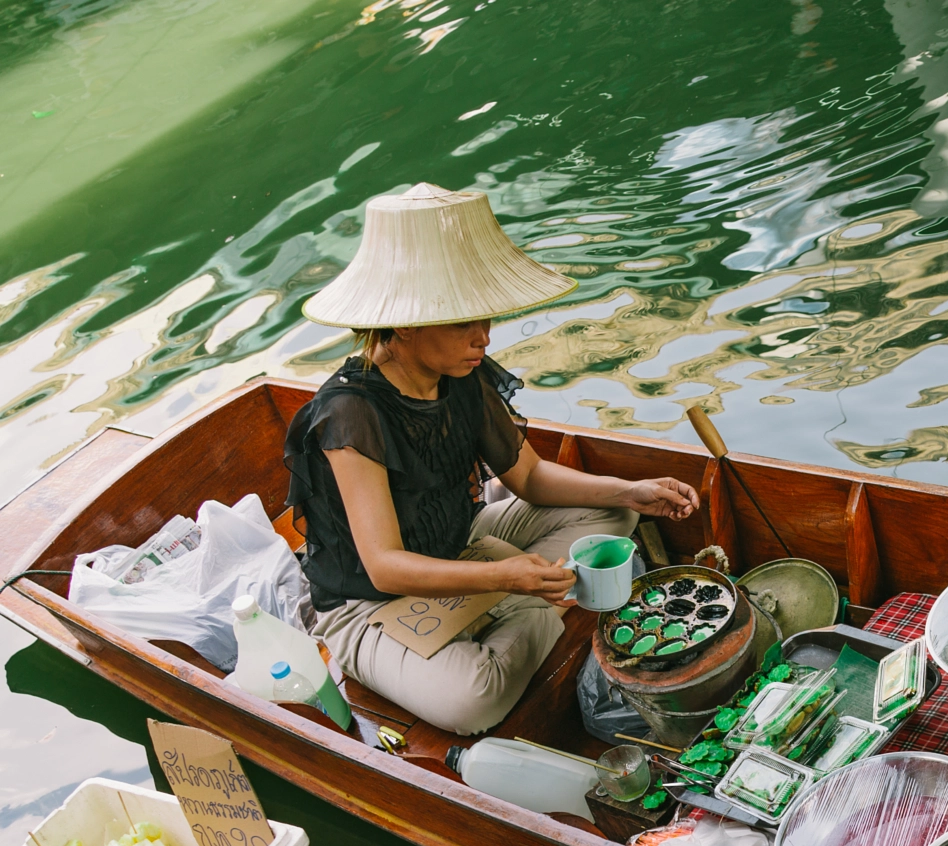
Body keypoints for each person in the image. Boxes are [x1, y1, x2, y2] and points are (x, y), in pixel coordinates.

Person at [285, 183, 699, 735]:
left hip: (463, 544)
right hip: (371, 602)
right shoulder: (350, 413)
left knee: (614, 519)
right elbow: (384, 564)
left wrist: (628, 489)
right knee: (472, 701)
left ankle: (528, 605)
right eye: (463, 322)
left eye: (485, 319)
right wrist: (508, 577)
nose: (483, 338)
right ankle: (538, 606)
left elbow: (526, 475)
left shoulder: (460, 370)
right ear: (406, 321)